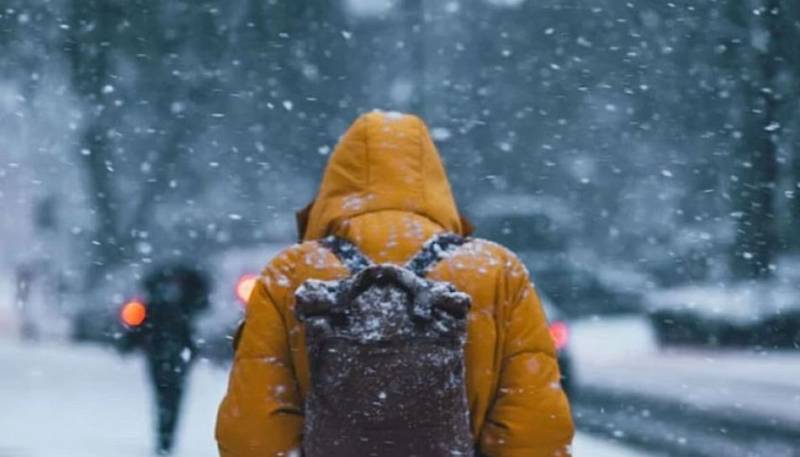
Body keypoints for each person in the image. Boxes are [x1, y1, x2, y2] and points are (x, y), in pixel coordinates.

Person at [216, 112, 575, 456]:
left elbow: (251, 435)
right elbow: (536, 433)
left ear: (336, 182)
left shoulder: (290, 273)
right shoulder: (496, 272)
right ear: (434, 180)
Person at [121, 263, 210, 455]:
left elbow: (139, 328)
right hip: (176, 355)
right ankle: (167, 437)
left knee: (162, 397)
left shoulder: (156, 302)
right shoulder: (185, 303)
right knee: (173, 397)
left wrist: (129, 344)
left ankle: (164, 436)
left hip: (160, 354)